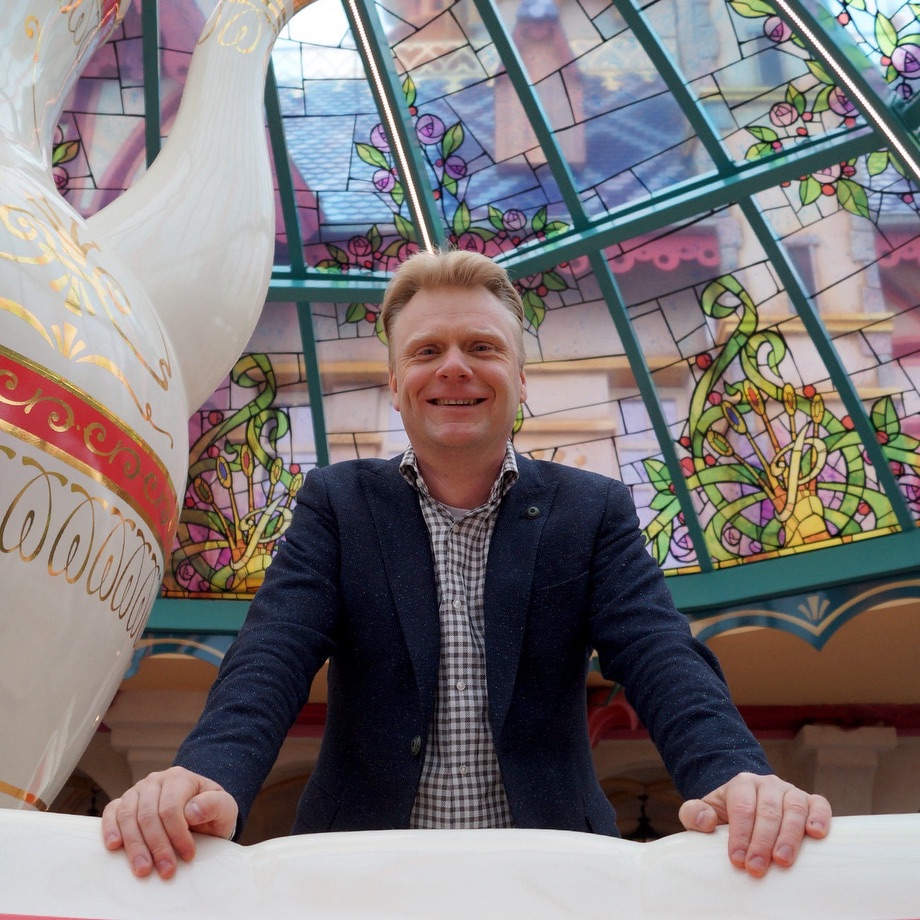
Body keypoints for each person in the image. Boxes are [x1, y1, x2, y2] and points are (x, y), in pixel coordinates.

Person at [102, 248, 831, 880]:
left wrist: (735, 774)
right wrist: (208, 774)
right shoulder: (337, 504)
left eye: (482, 347)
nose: (454, 366)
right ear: (396, 384)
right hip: (363, 877)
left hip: (554, 877)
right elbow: (272, 654)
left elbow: (660, 655)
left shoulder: (593, 510)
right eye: (426, 351)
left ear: (520, 378)